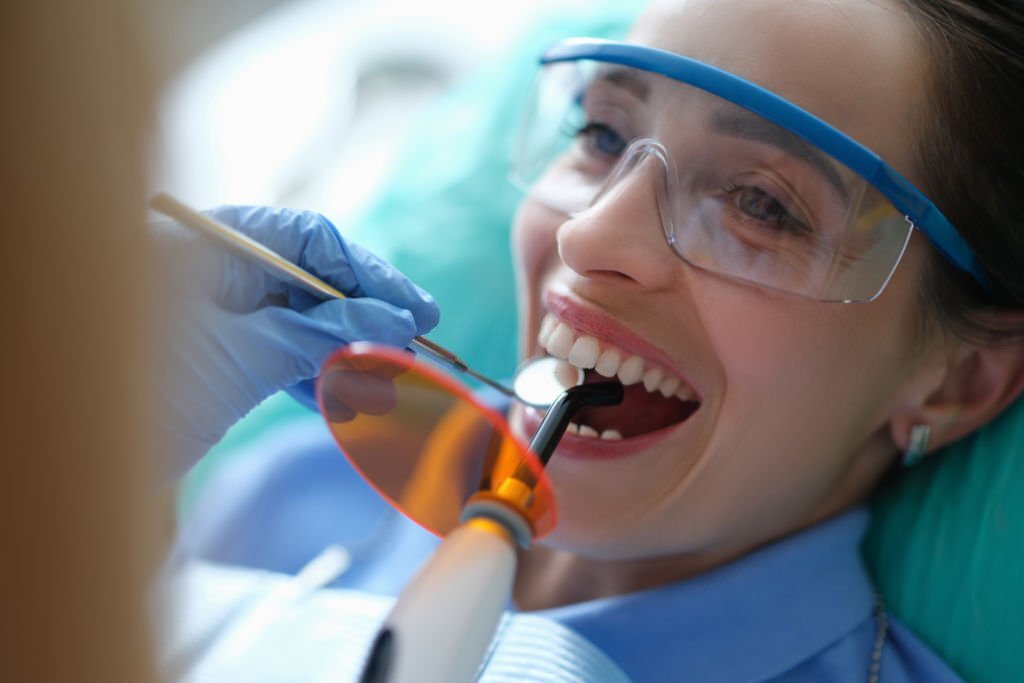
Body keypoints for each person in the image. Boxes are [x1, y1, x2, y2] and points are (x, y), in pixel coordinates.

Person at [167, 0, 1024, 680]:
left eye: (762, 205)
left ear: (962, 379)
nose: (587, 238)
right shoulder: (295, 490)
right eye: (601, 133)